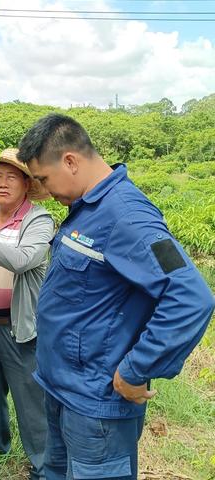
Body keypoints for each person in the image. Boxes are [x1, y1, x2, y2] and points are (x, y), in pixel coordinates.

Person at [16, 114, 215, 480]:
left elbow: (191, 296)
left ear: (71, 161)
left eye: (43, 178)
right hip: (62, 389)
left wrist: (136, 369)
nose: (43, 189)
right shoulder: (86, 209)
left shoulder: (129, 217)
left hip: (96, 407)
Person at [0, 148, 54, 479]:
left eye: (11, 177)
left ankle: (42, 466)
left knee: (30, 405)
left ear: (27, 185)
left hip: (20, 329)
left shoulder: (39, 221)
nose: (1, 183)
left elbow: (22, 260)